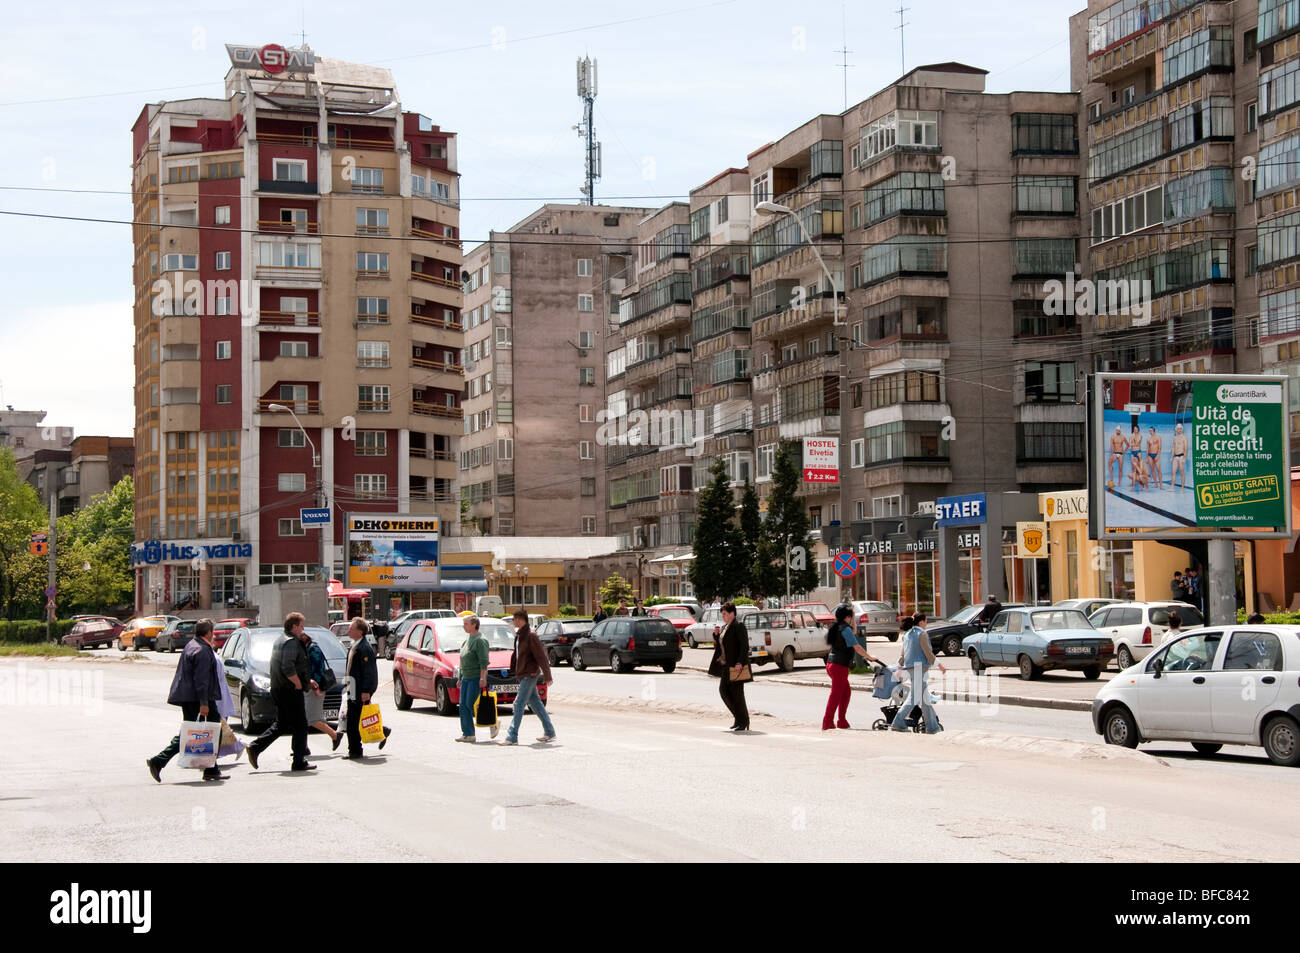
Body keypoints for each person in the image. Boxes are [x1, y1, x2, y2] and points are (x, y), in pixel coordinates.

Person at [147, 619, 226, 782]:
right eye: (213, 632)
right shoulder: (202, 650)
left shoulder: (192, 644)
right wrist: (204, 703)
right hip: (198, 698)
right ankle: (158, 761)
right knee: (208, 731)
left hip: (191, 697)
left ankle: (212, 769)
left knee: (197, 731)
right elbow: (202, 679)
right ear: (209, 633)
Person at [246, 612, 317, 773]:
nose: (303, 628)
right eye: (301, 625)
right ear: (294, 626)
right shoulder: (291, 642)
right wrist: (298, 683)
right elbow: (287, 667)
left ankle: (255, 748)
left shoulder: (281, 639)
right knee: (301, 724)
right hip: (289, 690)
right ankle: (299, 761)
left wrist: (307, 681)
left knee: (282, 724)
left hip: (281, 688)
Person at [500, 610, 557, 745]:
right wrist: (513, 670)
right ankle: (549, 731)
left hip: (530, 674)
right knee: (536, 703)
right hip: (523, 673)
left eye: (514, 619)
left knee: (518, 703)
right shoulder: (520, 635)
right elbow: (517, 655)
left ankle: (511, 736)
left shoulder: (531, 635)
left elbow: (541, 657)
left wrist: (547, 675)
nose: (514, 622)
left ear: (519, 620)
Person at [823, 604, 881, 730]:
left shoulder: (837, 626)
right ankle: (827, 722)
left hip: (832, 664)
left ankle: (841, 721)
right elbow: (857, 647)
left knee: (845, 693)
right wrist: (869, 657)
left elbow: (853, 631)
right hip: (839, 666)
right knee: (836, 694)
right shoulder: (845, 629)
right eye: (851, 617)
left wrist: (852, 617)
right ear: (847, 617)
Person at [891, 612, 945, 734]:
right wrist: (940, 665)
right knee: (914, 697)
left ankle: (932, 727)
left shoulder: (907, 634)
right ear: (921, 622)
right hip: (919, 667)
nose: (926, 624)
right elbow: (928, 652)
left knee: (925, 699)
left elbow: (903, 654)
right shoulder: (922, 634)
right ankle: (898, 722)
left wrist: (899, 667)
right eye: (926, 621)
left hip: (910, 668)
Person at [344, 617, 387, 759]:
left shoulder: (364, 648)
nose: (349, 630)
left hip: (360, 690)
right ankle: (356, 748)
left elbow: (369, 672)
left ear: (360, 632)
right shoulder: (354, 645)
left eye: (352, 628)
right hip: (352, 687)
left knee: (354, 722)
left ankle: (355, 751)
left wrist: (366, 691)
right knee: (356, 721)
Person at [710, 602, 750, 732]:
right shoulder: (725, 627)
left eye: (725, 614)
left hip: (736, 666)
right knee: (724, 691)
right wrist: (716, 636)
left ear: (732, 613)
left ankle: (743, 721)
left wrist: (739, 662)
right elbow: (722, 645)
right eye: (722, 614)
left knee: (737, 694)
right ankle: (738, 718)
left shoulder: (739, 626)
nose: (723, 616)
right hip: (726, 666)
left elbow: (744, 646)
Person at [456, 615, 492, 742]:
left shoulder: (480, 640)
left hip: (475, 677)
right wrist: (460, 677)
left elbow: (484, 661)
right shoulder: (467, 640)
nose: (464, 626)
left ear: (474, 625)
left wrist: (483, 678)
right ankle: (467, 733)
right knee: (462, 706)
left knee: (470, 705)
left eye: (466, 623)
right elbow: (462, 659)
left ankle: (491, 723)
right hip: (466, 677)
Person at [305, 633, 342, 754]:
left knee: (312, 719)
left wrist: (316, 687)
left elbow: (317, 669)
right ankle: (303, 747)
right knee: (307, 718)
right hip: (311, 687)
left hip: (315, 688)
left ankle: (335, 735)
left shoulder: (313, 649)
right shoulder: (309, 648)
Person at [1170, 423, 1189, 490]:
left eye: (1181, 428)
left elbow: (1186, 448)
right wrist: (1171, 457)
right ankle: (1172, 487)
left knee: (1182, 472)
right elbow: (1173, 448)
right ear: (1176, 430)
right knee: (1173, 472)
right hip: (1175, 456)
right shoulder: (1175, 438)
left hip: (1181, 456)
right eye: (1178, 429)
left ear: (1182, 429)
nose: (1179, 430)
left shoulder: (1184, 437)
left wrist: (1184, 458)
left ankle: (1182, 488)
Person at [1128, 425, 1143, 489]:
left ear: (1138, 429)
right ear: (1133, 429)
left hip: (1138, 452)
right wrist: (1133, 442)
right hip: (1133, 452)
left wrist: (1133, 442)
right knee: (1133, 468)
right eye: (1134, 429)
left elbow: (1137, 443)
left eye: (1136, 429)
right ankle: (1133, 482)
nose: (1135, 430)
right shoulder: (1131, 435)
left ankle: (1141, 483)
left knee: (1139, 468)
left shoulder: (1140, 435)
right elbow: (1130, 444)